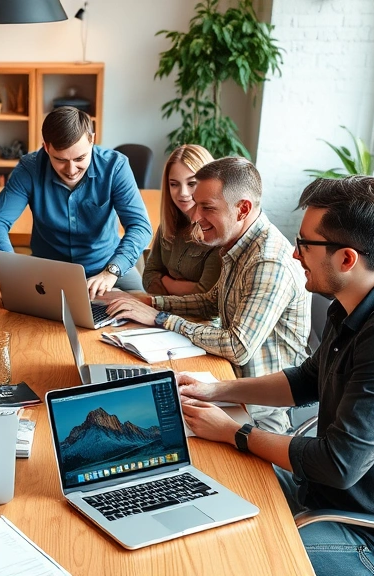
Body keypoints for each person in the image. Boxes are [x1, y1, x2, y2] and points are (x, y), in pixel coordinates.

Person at [179, 176, 374, 575]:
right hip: (330, 499)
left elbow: (338, 464)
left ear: (347, 259)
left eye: (304, 244)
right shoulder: (354, 303)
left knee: (237, 557)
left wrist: (234, 432)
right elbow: (306, 380)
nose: (296, 255)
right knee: (203, 494)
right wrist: (216, 390)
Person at [106, 157, 309, 433]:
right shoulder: (237, 243)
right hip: (223, 384)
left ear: (243, 209)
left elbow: (238, 346)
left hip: (258, 410)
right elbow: (211, 302)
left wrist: (162, 318)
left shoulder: (268, 261)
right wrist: (150, 302)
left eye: (207, 207)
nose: (195, 216)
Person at [0, 106, 152, 298]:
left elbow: (140, 226)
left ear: (92, 140)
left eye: (80, 158)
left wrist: (112, 271)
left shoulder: (116, 167)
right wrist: (12, 272)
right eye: (60, 159)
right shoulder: (29, 168)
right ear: (46, 147)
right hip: (47, 272)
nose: (71, 170)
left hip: (106, 266)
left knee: (142, 306)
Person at [142, 145, 221, 296]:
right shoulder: (168, 224)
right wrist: (183, 287)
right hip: (164, 310)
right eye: (174, 184)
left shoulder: (217, 231)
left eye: (191, 183)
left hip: (197, 318)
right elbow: (148, 277)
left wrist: (166, 282)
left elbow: (206, 295)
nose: (183, 193)